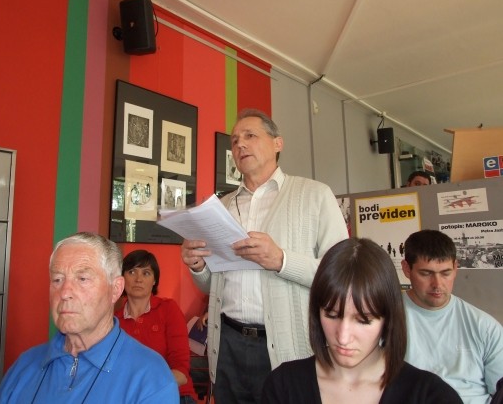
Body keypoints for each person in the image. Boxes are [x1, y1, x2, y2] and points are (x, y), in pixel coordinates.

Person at [181, 108, 348, 403]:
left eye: (250, 135)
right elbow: (212, 285)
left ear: (277, 143)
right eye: (235, 140)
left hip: (288, 345)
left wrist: (282, 260)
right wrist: (198, 266)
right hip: (227, 343)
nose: (240, 145)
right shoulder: (222, 206)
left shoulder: (315, 195)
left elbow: (343, 275)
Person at [261, 237, 463, 404]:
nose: (343, 337)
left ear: (388, 318)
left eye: (363, 320)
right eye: (332, 315)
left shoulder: (432, 396)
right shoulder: (283, 385)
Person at [0, 232, 178, 404]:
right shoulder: (24, 366)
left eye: (82, 279)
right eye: (57, 280)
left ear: (115, 289)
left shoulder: (151, 380)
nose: (64, 293)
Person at [401, 230, 503, 404]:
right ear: (406, 269)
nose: (437, 284)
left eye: (445, 273)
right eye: (426, 273)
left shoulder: (485, 327)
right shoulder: (383, 319)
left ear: (455, 268)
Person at [115, 249, 198, 404]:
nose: (138, 279)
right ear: (122, 278)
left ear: (154, 281)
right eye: (132, 272)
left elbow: (181, 373)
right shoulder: (114, 322)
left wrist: (141, 386)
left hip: (176, 395)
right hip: (132, 398)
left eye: (146, 273)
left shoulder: (168, 309)